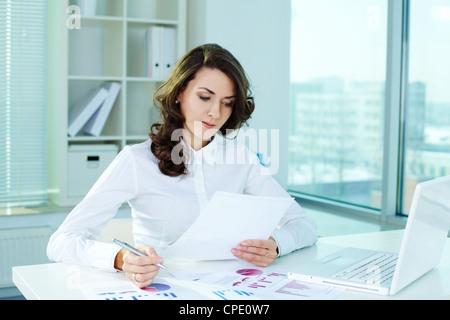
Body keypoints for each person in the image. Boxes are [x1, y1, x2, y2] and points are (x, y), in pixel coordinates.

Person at [47, 44, 317, 288]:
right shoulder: (137, 160)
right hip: (165, 286)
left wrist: (277, 244)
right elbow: (61, 242)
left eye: (227, 103)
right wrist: (120, 258)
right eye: (204, 97)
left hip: (236, 288)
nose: (215, 113)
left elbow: (304, 225)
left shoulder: (241, 159)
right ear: (179, 94)